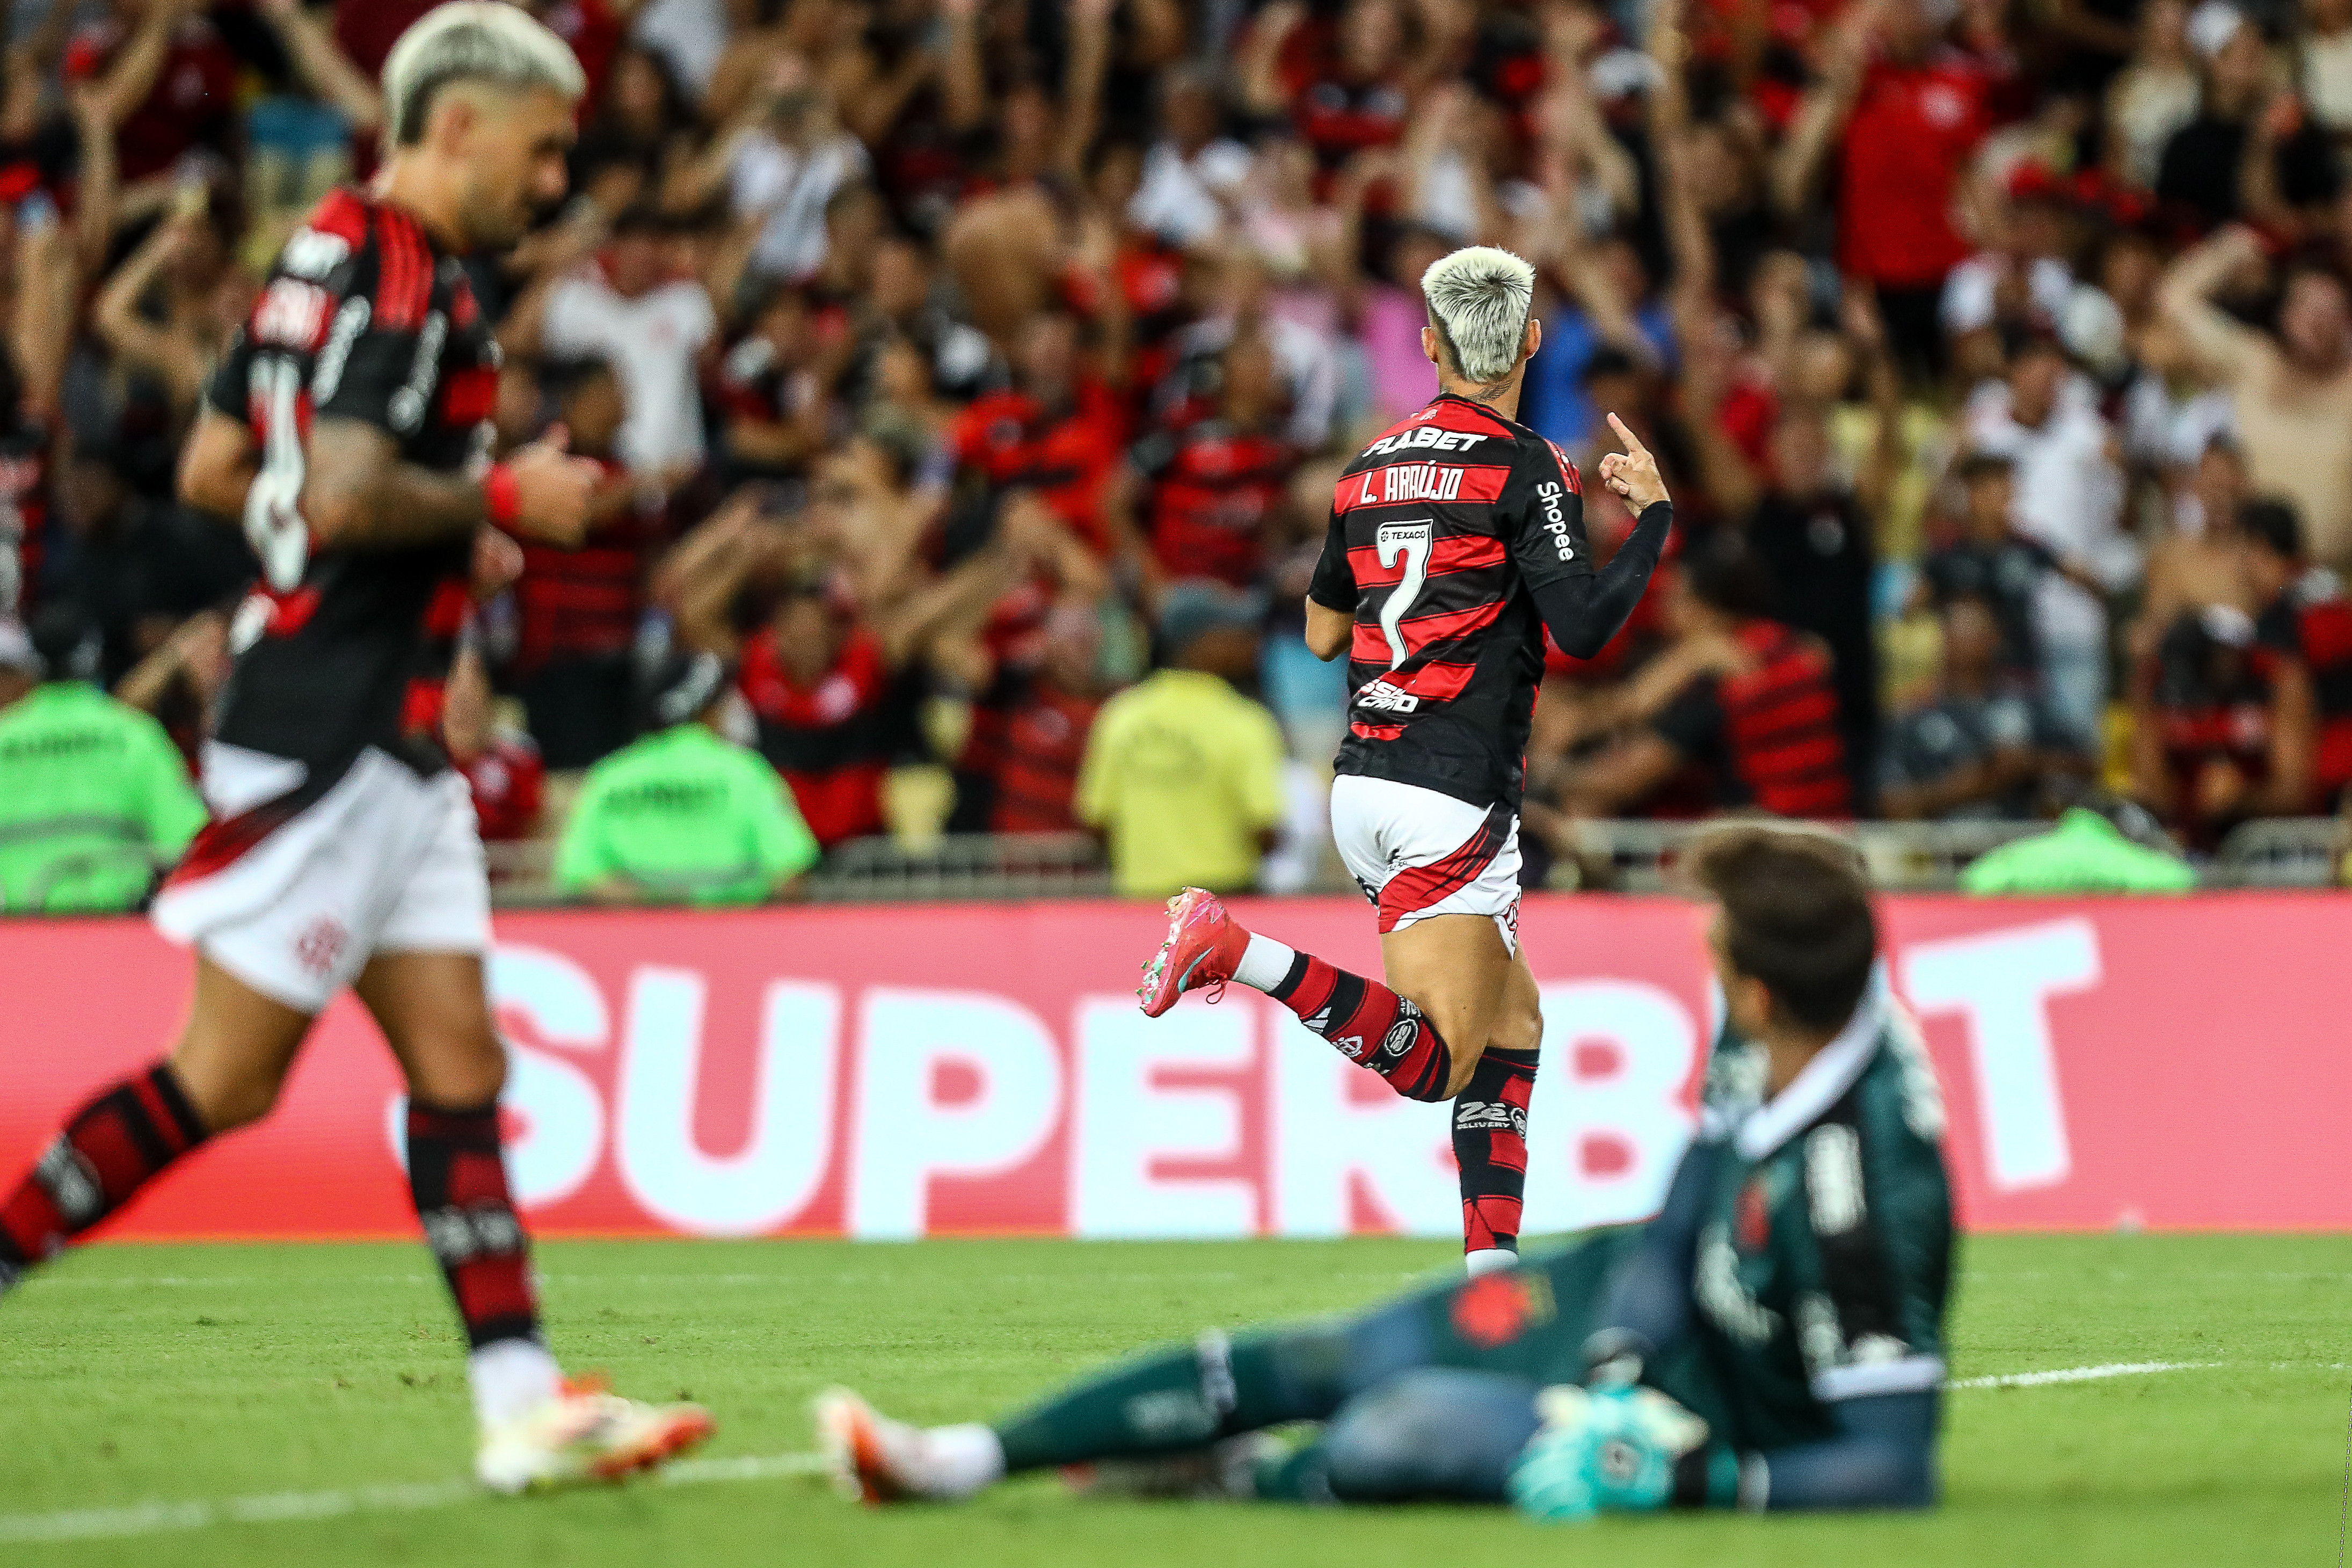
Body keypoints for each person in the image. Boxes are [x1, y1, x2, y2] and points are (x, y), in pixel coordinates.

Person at [0, 5, 711, 1493]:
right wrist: (495, 498)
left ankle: (523, 1404)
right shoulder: (404, 276)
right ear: (457, 124)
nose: (553, 177)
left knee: (460, 1061)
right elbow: (335, 492)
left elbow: (218, 464)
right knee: (224, 1080)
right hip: (331, 726)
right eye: (541, 146)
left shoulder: (318, 247)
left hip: (385, 733)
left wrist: (442, 516)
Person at [820, 825, 1952, 1520]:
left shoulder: (1870, 1192)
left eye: (1717, 964)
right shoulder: (1769, 1036)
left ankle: (1231, 1480)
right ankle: (962, 1458)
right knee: (1340, 1351)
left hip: (1712, 1420)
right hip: (1624, 1313)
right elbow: (1684, 1210)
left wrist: (1683, 1475)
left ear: (1754, 991)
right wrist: (1620, 1347)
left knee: (1390, 1430)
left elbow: (1893, 1465)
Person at [1134, 245, 1676, 1277]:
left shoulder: (1365, 468)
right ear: (1528, 343)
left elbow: (1324, 635)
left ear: (1428, 344)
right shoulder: (1528, 469)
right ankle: (1233, 948)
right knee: (1442, 1063)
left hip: (1365, 777)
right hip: (1451, 788)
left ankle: (1492, 1279)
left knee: (1514, 1020)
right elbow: (1587, 629)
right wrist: (1650, 517)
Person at [1556, 537, 1852, 822]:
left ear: (1705, 608)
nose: (1663, 605)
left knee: (1583, 803)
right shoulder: (1790, 647)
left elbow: (1622, 780)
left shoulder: (1712, 672)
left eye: (1675, 595)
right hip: (1828, 825)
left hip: (1768, 841)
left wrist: (1546, 776)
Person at [555, 648, 818, 905]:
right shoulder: (745, 773)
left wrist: (654, 916)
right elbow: (791, 869)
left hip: (638, 944)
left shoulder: (611, 776)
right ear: (706, 709)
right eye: (724, 701)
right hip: (734, 939)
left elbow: (583, 873)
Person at [1075, 580, 1286, 898]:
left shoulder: (1122, 715)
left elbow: (1096, 820)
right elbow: (1265, 829)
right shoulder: (1243, 721)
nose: (1252, 642)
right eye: (1235, 633)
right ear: (1202, 644)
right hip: (1226, 905)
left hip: (1141, 904)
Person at [0, 601, 205, 913]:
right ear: (93, 655)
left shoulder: (4, 736)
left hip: (14, 935)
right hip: (115, 934)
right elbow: (189, 841)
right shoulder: (135, 735)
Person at [1880, 597, 2064, 821]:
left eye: (1975, 629)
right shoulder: (1914, 714)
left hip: (2020, 844)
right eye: (1957, 629)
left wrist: (2029, 763)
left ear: (1996, 638)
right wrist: (1966, 787)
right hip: (1945, 847)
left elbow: (2088, 765)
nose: (1965, 639)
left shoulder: (2023, 701)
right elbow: (1888, 801)